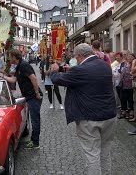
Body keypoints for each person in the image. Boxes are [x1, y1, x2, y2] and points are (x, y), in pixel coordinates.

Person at [50, 43, 116, 175]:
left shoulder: (79, 70)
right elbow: (87, 76)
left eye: (76, 57)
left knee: (92, 154)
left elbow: (57, 80)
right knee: (105, 152)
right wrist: (67, 69)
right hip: (109, 115)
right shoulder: (105, 65)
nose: (76, 59)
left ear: (80, 56)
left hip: (89, 117)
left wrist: (55, 70)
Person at [0, 49, 43, 149]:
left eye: (10, 57)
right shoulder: (19, 67)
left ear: (14, 57)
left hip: (33, 96)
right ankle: (33, 140)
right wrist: (2, 75)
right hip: (29, 96)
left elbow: (33, 78)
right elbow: (13, 80)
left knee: (35, 120)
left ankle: (35, 143)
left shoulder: (24, 65)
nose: (9, 59)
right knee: (33, 119)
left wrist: (37, 93)